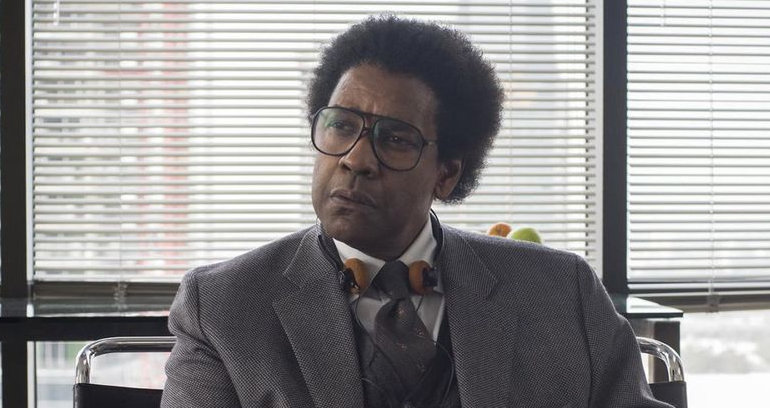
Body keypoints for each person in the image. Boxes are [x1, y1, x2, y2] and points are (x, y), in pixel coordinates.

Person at [161, 16, 672, 408]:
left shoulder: (561, 291)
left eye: (395, 138)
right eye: (341, 125)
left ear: (446, 173)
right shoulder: (223, 306)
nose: (356, 160)